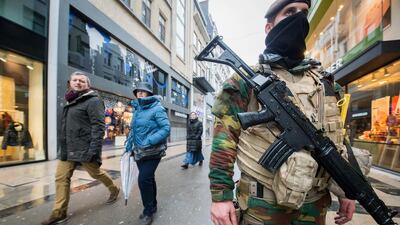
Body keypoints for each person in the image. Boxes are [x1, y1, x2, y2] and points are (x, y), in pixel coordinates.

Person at [209, 1, 356, 225]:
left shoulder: (326, 85)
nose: (298, 18)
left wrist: (349, 189)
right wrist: (221, 197)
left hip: (314, 207)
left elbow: (338, 141)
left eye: (303, 13)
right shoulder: (245, 81)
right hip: (263, 208)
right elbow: (224, 139)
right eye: (289, 12)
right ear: (269, 27)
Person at [42, 71, 120, 225]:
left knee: (96, 173)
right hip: (68, 149)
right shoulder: (70, 100)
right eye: (75, 80)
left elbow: (98, 127)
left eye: (82, 81)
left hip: (84, 148)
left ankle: (114, 189)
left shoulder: (93, 100)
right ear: (70, 83)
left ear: (87, 85)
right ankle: (59, 213)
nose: (78, 82)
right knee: (61, 178)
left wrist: (93, 150)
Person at [125, 81, 170, 225]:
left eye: (143, 92)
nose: (140, 94)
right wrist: (128, 145)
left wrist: (150, 141)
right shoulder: (137, 109)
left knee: (143, 180)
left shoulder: (157, 108)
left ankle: (148, 212)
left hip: (153, 151)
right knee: (149, 178)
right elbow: (133, 129)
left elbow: (165, 128)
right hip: (139, 151)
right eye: (138, 92)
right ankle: (153, 204)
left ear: (149, 94)